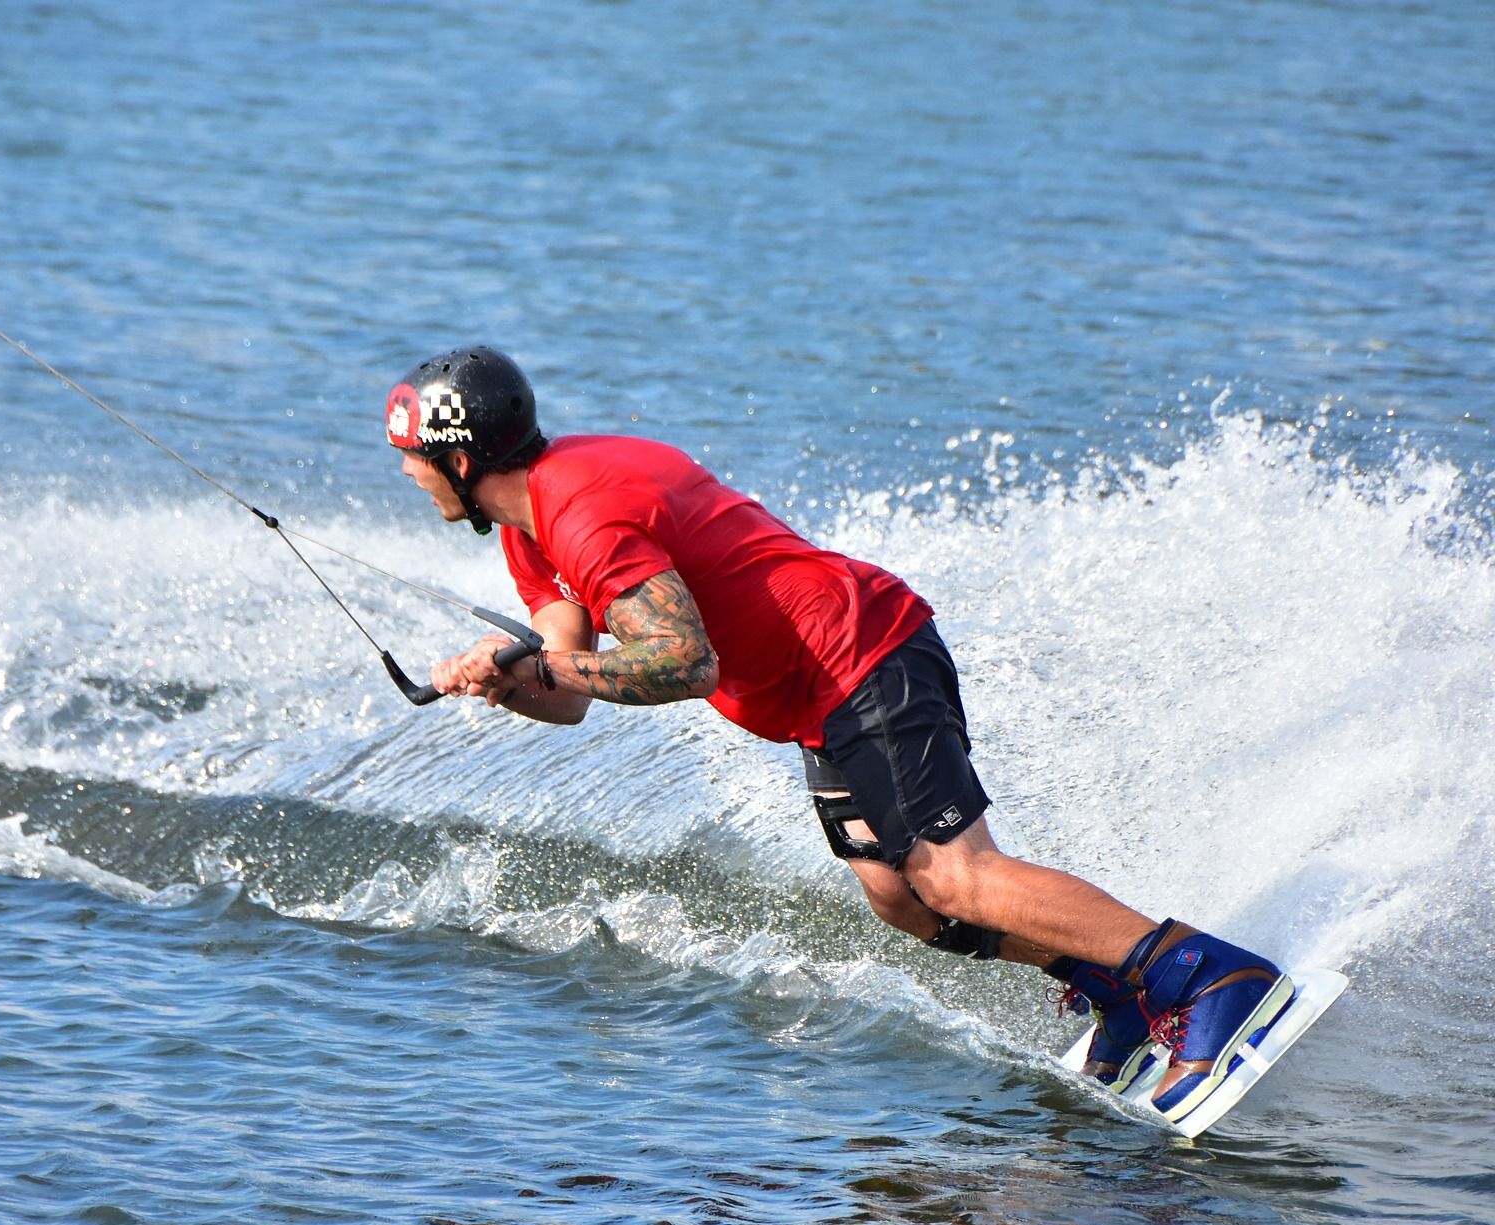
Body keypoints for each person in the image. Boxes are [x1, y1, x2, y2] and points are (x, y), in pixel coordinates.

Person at [386, 344, 1294, 1123]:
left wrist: (534, 667)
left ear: (462, 459)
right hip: (819, 692)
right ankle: (1118, 992)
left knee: (954, 872)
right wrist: (508, 681)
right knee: (901, 898)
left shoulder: (584, 508)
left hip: (862, 650)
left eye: (413, 456)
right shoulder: (527, 525)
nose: (407, 473)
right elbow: (573, 686)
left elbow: (681, 663)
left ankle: (1204, 978)